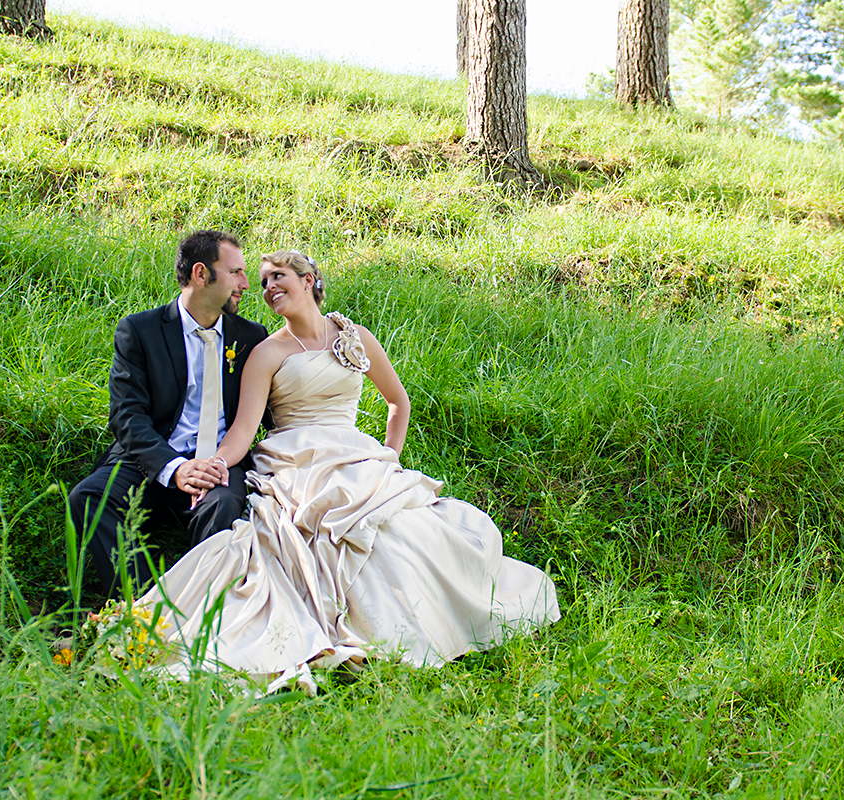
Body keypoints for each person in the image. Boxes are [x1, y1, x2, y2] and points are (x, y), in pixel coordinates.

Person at [138, 250, 560, 692]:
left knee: (410, 532)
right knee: (320, 531)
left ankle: (429, 624)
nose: (268, 288)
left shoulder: (354, 336)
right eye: (262, 282)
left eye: (277, 276)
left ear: (309, 280)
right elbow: (243, 430)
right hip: (297, 460)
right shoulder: (267, 352)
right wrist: (214, 465)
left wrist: (389, 462)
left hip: (356, 454)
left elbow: (399, 403)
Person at [68, 230, 269, 596]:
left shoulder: (252, 338)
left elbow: (269, 412)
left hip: (218, 461)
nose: (245, 283)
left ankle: (200, 610)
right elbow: (127, 416)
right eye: (235, 272)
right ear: (200, 274)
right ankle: (147, 610)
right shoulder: (140, 330)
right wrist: (174, 468)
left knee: (223, 507)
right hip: (148, 458)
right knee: (89, 498)